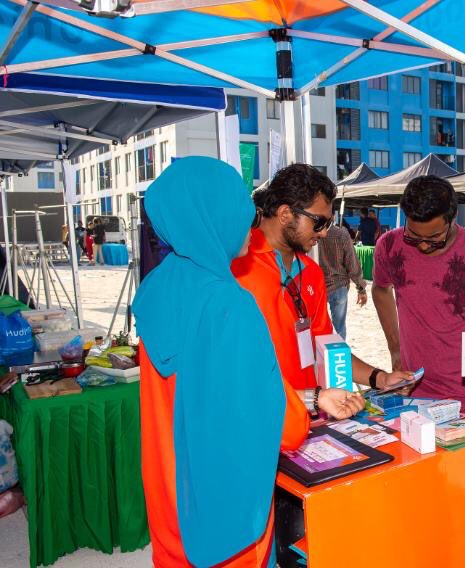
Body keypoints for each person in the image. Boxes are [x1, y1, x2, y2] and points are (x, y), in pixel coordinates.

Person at [133, 157, 364, 568]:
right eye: (238, 207)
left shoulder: (157, 286)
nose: (249, 218)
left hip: (171, 488)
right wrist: (311, 402)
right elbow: (281, 424)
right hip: (225, 502)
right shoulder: (230, 302)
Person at [232, 164, 413, 392]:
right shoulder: (235, 267)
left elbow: (326, 343)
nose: (324, 232)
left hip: (308, 416)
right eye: (319, 222)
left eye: (328, 224)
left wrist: (380, 378)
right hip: (260, 419)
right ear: (285, 214)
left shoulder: (311, 271)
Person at [371, 175, 465, 418]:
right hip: (414, 389)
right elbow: (381, 289)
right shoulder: (390, 245)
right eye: (414, 236)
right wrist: (395, 348)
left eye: (434, 238)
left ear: (453, 218)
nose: (422, 246)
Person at [318, 223, 368, 340]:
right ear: (333, 217)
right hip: (338, 286)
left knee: (317, 326)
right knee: (339, 327)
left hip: (316, 286)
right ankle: (338, 355)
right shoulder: (341, 234)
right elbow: (352, 263)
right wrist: (361, 288)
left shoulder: (310, 232)